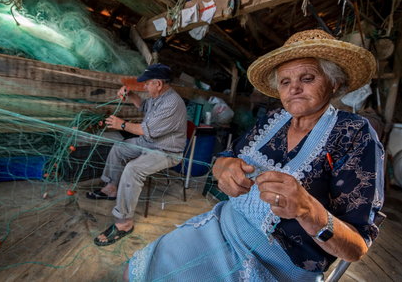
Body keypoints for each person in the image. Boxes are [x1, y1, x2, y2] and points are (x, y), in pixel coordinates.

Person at [125, 30, 384, 281]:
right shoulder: (273, 120)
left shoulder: (354, 134)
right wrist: (224, 166)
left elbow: (356, 248)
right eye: (285, 82)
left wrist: (307, 210)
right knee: (136, 270)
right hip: (223, 228)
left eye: (307, 78)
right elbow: (226, 157)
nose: (293, 88)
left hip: (277, 262)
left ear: (333, 82)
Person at [86, 63, 187, 246]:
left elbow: (143, 129)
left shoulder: (172, 103)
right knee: (119, 147)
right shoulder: (158, 96)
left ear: (158, 83)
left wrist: (121, 124)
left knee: (133, 169)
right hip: (149, 143)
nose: (144, 87)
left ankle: (124, 222)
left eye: (147, 84)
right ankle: (111, 187)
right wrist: (130, 95)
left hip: (166, 151)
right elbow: (143, 106)